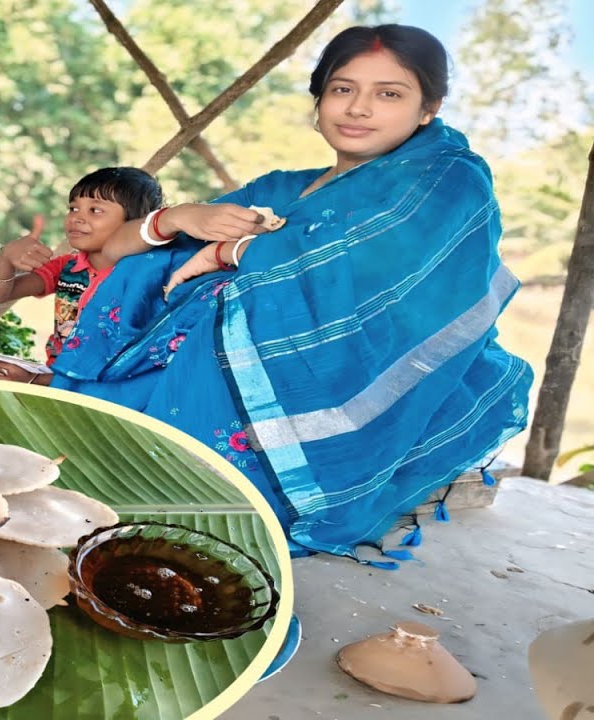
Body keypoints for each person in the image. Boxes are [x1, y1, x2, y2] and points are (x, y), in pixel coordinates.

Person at [47, 25, 533, 563]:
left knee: (229, 297)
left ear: (428, 109)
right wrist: (178, 218)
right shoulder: (278, 189)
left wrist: (229, 255)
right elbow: (116, 250)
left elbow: (366, 266)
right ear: (320, 99)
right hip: (217, 361)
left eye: (389, 94)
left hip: (354, 369)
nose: (359, 108)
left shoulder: (450, 178)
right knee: (157, 268)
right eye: (342, 89)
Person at [0, 167, 164, 385]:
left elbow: (127, 366)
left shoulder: (145, 278)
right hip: (53, 375)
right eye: (73, 208)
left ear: (136, 224)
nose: (76, 218)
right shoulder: (67, 267)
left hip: (107, 386)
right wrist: (5, 259)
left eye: (95, 210)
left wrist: (33, 381)